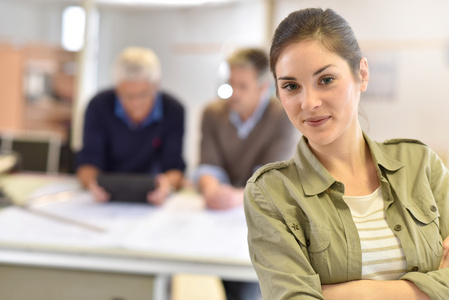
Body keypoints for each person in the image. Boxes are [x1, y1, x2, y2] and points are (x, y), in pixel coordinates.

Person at [244, 8, 449, 300]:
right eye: (291, 86)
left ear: (361, 75)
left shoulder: (419, 163)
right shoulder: (271, 194)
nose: (309, 102)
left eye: (326, 79)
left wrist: (358, 292)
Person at [196, 48, 297, 299]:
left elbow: (271, 177)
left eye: (243, 86)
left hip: (261, 218)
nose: (234, 93)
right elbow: (208, 164)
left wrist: (238, 196)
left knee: (247, 289)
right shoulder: (212, 113)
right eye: (231, 84)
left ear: (263, 88)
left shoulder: (282, 116)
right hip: (220, 219)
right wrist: (210, 189)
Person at [76, 47, 185, 205]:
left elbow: (174, 166)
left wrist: (167, 185)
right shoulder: (98, 105)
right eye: (128, 96)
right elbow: (88, 160)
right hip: (107, 196)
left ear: (155, 86)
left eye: (143, 94)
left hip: (151, 194)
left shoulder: (173, 110)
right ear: (117, 89)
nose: (136, 104)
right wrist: (91, 183)